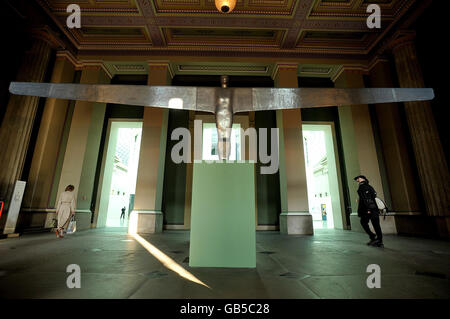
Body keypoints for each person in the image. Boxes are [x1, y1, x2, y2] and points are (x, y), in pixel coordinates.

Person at [354, 175, 383, 247]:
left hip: (368, 210)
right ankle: (378, 240)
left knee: (364, 222)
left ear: (362, 179)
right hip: (373, 209)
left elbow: (367, 199)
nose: (357, 180)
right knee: (376, 225)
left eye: (358, 179)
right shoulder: (370, 186)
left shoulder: (362, 187)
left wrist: (368, 209)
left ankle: (374, 238)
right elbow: (373, 196)